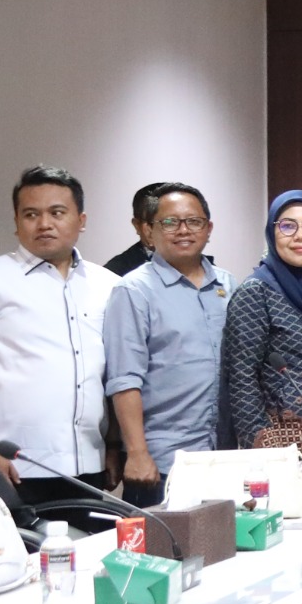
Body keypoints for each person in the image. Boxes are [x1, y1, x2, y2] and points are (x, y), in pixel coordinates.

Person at [0, 166, 114, 513]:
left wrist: (113, 446)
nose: (44, 224)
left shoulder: (108, 284)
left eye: (57, 213)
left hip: (89, 461)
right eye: (31, 214)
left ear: (81, 220)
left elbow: (112, 373)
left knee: (90, 546)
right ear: (17, 222)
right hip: (16, 464)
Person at [101, 184, 231, 508]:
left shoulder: (228, 284)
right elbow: (123, 379)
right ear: (150, 231)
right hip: (162, 462)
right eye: (170, 222)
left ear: (209, 228)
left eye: (194, 221)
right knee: (165, 543)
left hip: (222, 457)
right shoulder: (133, 290)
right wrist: (137, 453)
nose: (183, 230)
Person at [219, 191, 302, 465]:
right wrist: (263, 449)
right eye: (287, 226)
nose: (301, 236)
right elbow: (242, 380)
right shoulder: (256, 293)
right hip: (283, 448)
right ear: (272, 233)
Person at [102, 182, 167, 276]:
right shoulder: (114, 272)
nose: (183, 230)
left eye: (188, 220)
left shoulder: (189, 260)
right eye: (168, 221)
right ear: (137, 225)